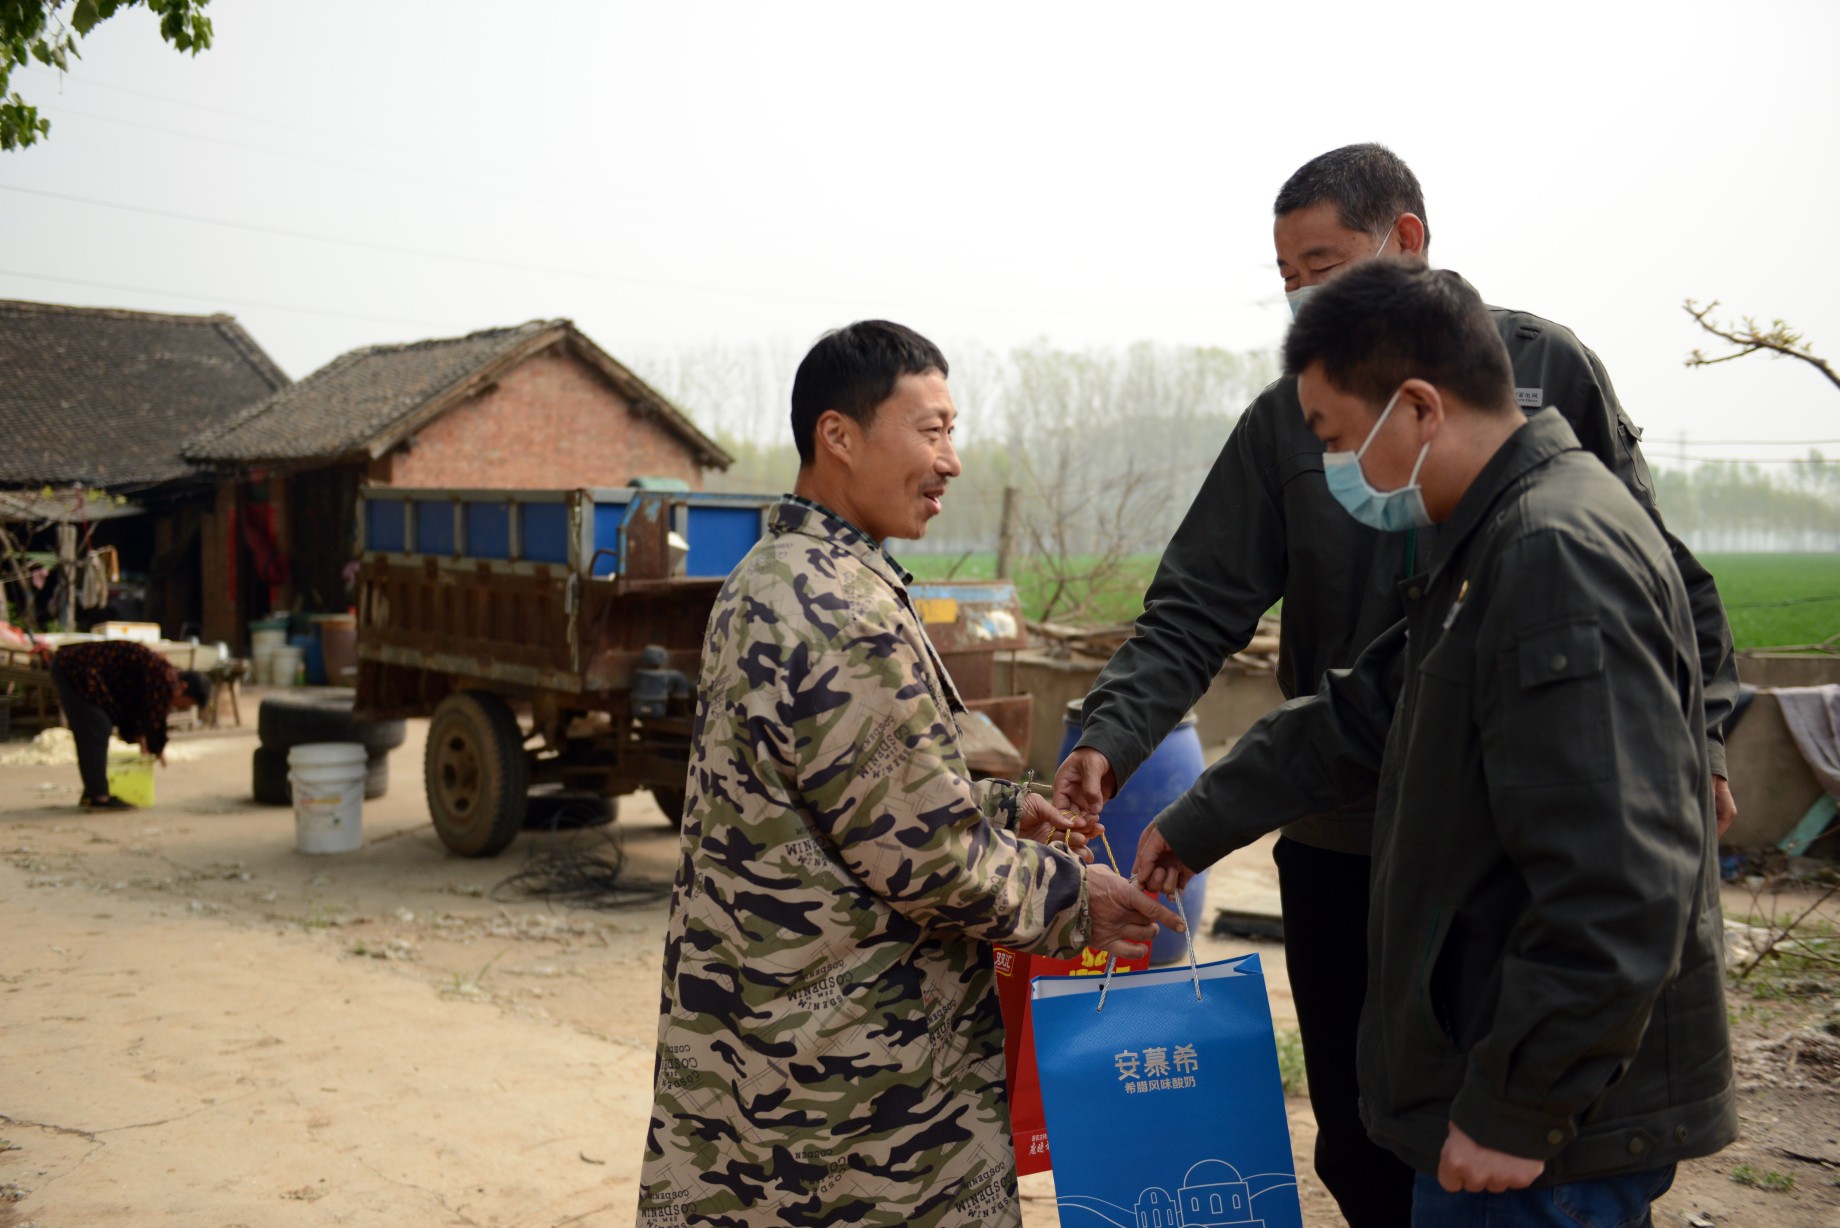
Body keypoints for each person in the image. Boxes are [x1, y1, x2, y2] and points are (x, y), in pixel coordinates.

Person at [1053, 143, 1738, 1227]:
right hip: (1360, 830)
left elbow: (1615, 878)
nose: (1334, 465)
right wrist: (1176, 790)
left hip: (1494, 847)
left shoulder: (1550, 534)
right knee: (1378, 1124)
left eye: (1321, 266)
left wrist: (1515, 1112)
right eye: (1288, 278)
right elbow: (1362, 687)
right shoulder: (1462, 523)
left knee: (1500, 1138)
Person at [637, 320, 1183, 1228]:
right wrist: (1073, 898)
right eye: (931, 431)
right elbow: (928, 856)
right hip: (854, 1085)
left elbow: (845, 795)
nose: (951, 461)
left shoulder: (774, 573)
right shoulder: (839, 605)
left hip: (769, 1038)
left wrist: (1002, 809)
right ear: (839, 436)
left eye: (952, 431)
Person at [46, 639, 210, 810]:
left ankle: (93, 792)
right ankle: (98, 797)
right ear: (183, 687)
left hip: (76, 669)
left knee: (94, 728)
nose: (182, 707)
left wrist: (140, 736)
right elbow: (154, 715)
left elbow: (133, 707)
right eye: (188, 703)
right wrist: (156, 744)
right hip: (74, 668)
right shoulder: (163, 678)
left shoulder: (161, 675)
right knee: (97, 728)